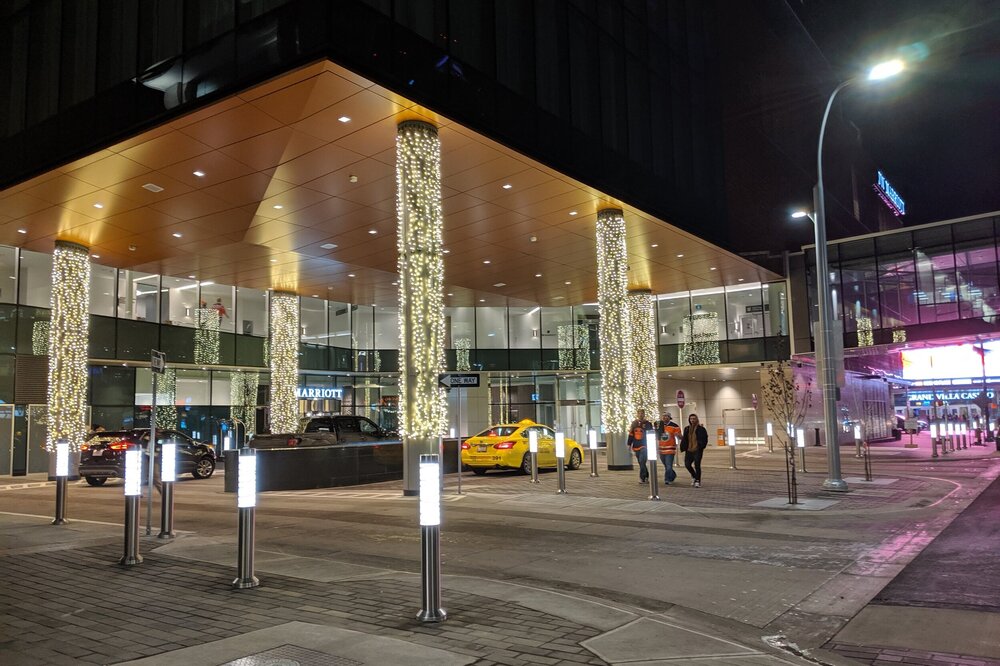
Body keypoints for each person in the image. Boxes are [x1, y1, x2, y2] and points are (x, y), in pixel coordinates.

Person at [681, 413, 708, 487]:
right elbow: (685, 439)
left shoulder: (701, 429)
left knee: (697, 465)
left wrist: (701, 447)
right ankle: (694, 476)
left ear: (697, 419)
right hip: (689, 450)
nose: (692, 420)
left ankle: (697, 481)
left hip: (697, 450)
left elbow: (705, 439)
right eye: (691, 419)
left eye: (694, 419)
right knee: (687, 464)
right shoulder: (686, 428)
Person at [626, 409, 653, 483]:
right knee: (641, 462)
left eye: (642, 413)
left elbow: (651, 433)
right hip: (636, 446)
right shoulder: (634, 423)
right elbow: (631, 434)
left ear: (644, 414)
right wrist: (629, 444)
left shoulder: (648, 424)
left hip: (644, 446)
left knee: (642, 460)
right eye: (639, 413)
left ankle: (642, 478)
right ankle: (646, 475)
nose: (641, 415)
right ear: (637, 414)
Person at [657, 412, 681, 485]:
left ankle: (667, 479)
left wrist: (678, 435)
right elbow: (656, 435)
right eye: (663, 416)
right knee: (667, 466)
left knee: (668, 465)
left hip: (670, 449)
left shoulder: (674, 426)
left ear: (669, 417)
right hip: (661, 449)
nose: (665, 417)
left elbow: (680, 436)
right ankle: (673, 475)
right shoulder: (658, 425)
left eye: (666, 416)